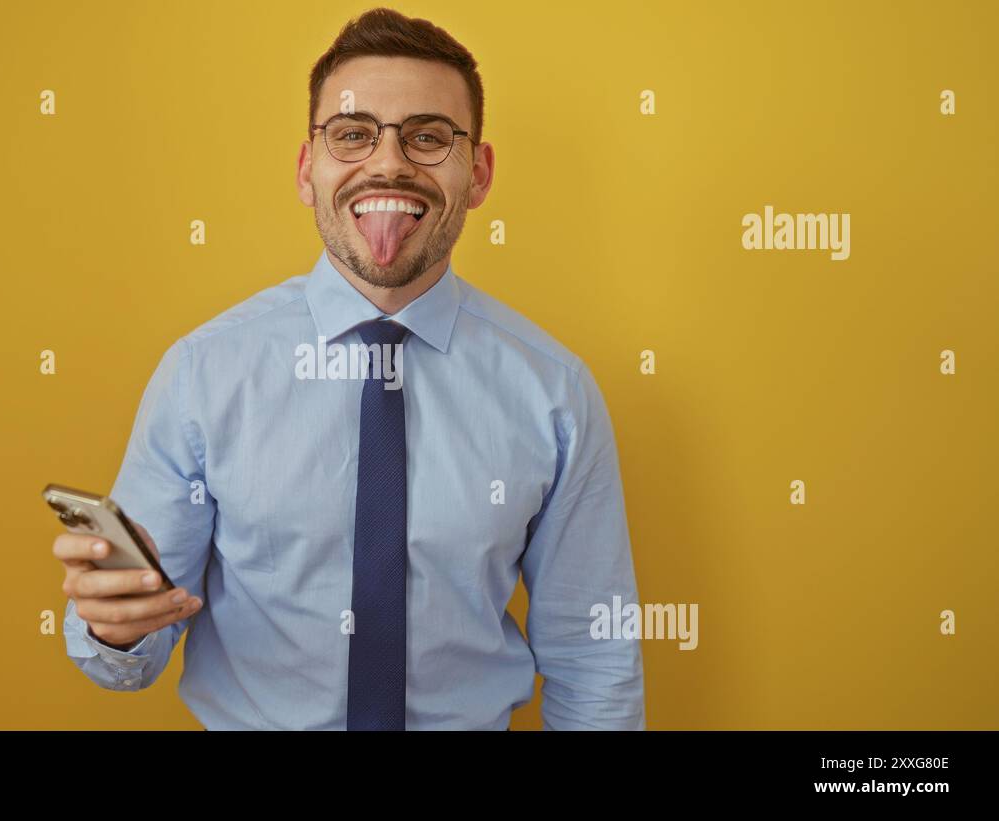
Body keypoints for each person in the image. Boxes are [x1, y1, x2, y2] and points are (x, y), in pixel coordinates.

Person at [55, 6, 645, 730]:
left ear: (479, 172)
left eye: (429, 137)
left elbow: (595, 659)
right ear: (309, 169)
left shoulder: (554, 392)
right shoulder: (202, 376)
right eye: (352, 133)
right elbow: (131, 657)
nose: (389, 162)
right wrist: (117, 625)